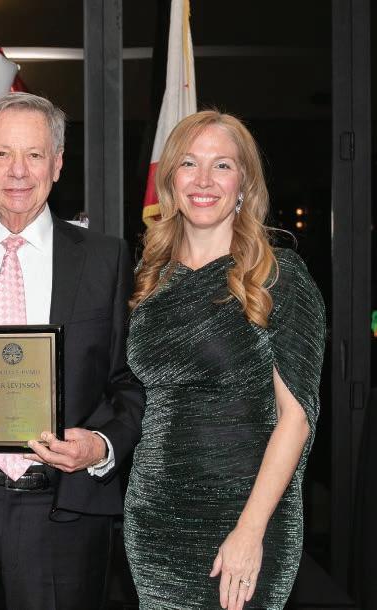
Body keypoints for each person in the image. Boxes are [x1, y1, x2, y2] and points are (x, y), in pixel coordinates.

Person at [0, 92, 144, 610]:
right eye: (2, 154)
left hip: (63, 514)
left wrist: (101, 446)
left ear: (57, 164)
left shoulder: (105, 260)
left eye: (34, 154)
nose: (18, 171)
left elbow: (131, 382)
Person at [123, 110, 326, 610]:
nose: (204, 180)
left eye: (222, 165)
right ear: (171, 180)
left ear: (243, 184)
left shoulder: (277, 276)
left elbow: (296, 419)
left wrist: (249, 531)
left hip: (246, 516)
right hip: (154, 519)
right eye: (189, 163)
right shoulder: (151, 276)